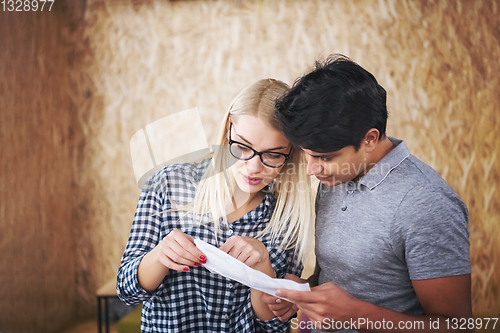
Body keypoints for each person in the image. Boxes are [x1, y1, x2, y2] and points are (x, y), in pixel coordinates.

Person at [263, 55, 472, 333]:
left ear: (370, 139)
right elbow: (342, 277)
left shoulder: (426, 204)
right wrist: (306, 290)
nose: (312, 170)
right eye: (307, 154)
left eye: (323, 157)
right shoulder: (336, 176)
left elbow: (459, 326)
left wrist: (358, 315)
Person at [117, 78, 315, 332]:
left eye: (273, 154)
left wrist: (262, 268)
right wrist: (160, 255)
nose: (254, 167)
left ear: (291, 153)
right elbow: (126, 291)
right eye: (242, 146)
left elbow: (274, 325)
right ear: (227, 132)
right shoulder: (168, 183)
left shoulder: (290, 214)